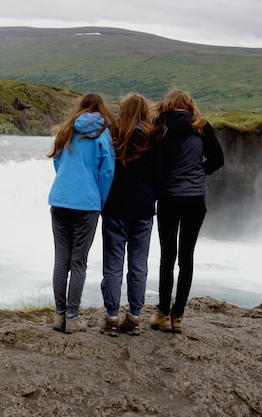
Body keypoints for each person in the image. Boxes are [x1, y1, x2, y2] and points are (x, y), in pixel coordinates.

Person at [150, 89, 224, 333]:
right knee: (186, 257)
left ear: (168, 105)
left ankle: (162, 312)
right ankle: (178, 315)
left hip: (169, 198)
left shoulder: (159, 127)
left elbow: (152, 160)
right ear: (189, 105)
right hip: (194, 199)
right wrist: (199, 171)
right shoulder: (201, 126)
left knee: (167, 257)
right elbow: (218, 159)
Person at [48, 92, 116, 334]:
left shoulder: (66, 130)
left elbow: (57, 163)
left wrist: (66, 185)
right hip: (87, 203)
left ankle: (58, 316)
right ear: (101, 109)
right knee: (78, 262)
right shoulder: (102, 133)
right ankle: (72, 317)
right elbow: (107, 172)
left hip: (60, 199)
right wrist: (100, 200)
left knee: (61, 260)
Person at [100, 93, 163, 337]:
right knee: (139, 264)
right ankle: (135, 316)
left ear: (123, 110)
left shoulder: (114, 136)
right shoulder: (153, 138)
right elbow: (160, 175)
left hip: (115, 208)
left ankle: (112, 317)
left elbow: (105, 170)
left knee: (113, 264)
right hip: (144, 209)